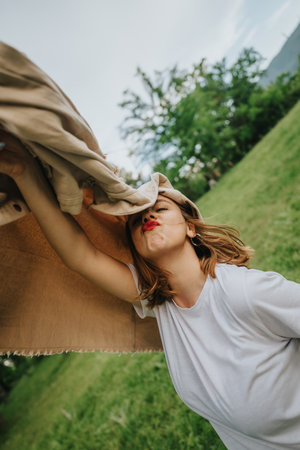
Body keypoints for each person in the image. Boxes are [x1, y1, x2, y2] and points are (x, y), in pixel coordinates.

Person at [0, 131, 299, 450]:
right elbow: (79, 254)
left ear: (190, 227)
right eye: (137, 219)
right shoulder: (157, 301)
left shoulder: (243, 291)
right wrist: (23, 172)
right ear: (136, 248)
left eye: (160, 209)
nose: (148, 216)